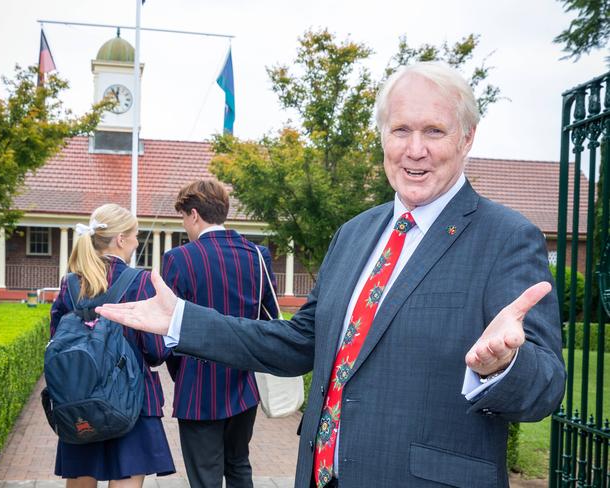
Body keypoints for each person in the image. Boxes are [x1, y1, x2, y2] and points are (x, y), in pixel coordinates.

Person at [97, 62, 566, 488]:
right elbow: (299, 343)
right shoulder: (355, 234)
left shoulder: (507, 238)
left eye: (434, 131)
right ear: (383, 135)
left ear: (467, 138)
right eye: (400, 129)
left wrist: (503, 365)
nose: (415, 149)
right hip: (321, 474)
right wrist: (182, 319)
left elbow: (546, 387)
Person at [161, 179, 279, 488]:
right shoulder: (257, 256)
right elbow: (271, 320)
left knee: (205, 478)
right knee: (239, 465)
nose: (185, 225)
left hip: (198, 387)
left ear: (195, 214)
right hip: (243, 385)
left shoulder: (179, 259)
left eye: (184, 218)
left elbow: (167, 331)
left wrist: (182, 372)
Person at [50, 203, 175, 488]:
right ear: (120, 239)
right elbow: (155, 350)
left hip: (79, 398)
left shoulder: (70, 283)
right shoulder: (140, 282)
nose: (136, 241)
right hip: (131, 398)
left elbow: (57, 340)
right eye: (135, 235)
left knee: (81, 479)